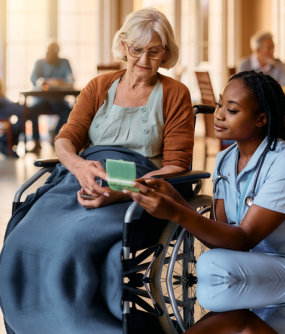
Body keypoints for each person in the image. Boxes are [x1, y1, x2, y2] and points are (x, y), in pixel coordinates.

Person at [0, 7, 194, 332]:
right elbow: (65, 140)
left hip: (138, 181)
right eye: (136, 50)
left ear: (166, 53)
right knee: (23, 234)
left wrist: (122, 191)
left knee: (71, 241)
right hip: (84, 172)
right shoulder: (99, 86)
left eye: (154, 52)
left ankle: (72, 321)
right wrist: (77, 167)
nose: (144, 60)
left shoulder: (175, 94)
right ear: (123, 46)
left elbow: (176, 166)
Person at [124, 70, 285, 312]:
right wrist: (174, 198)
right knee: (214, 262)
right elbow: (219, 237)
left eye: (231, 110)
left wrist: (176, 213)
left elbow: (244, 237)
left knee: (213, 266)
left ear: (261, 119)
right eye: (219, 104)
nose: (218, 115)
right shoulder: (225, 159)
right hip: (250, 265)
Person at [27, 42, 74, 153]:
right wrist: (42, 82)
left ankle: (55, 133)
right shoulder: (39, 63)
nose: (51, 55)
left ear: (58, 53)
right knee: (31, 111)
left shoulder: (64, 62)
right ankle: (36, 141)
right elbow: (34, 79)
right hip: (42, 100)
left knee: (70, 112)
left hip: (59, 100)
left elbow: (71, 80)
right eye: (49, 52)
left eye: (54, 52)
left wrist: (59, 82)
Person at [0, 78, 23, 157]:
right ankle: (5, 143)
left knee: (21, 118)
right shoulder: (3, 101)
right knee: (23, 113)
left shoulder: (4, 100)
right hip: (4, 118)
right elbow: (19, 110)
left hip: (5, 121)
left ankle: (6, 143)